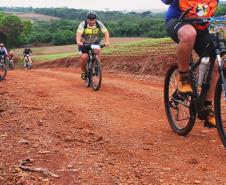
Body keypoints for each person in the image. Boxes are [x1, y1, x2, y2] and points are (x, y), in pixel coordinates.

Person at [162, 0, 219, 127]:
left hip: (203, 25)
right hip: (178, 21)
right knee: (189, 35)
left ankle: (207, 106)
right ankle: (184, 78)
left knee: (217, 59)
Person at [76, 11, 110, 80]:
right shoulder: (83, 24)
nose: (91, 21)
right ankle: (84, 72)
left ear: (95, 19)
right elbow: (79, 33)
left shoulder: (99, 23)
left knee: (97, 50)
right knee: (84, 57)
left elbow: (106, 32)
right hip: (84, 43)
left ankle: (98, 65)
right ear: (87, 19)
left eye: (93, 19)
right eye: (90, 19)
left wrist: (107, 41)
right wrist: (78, 41)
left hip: (94, 42)